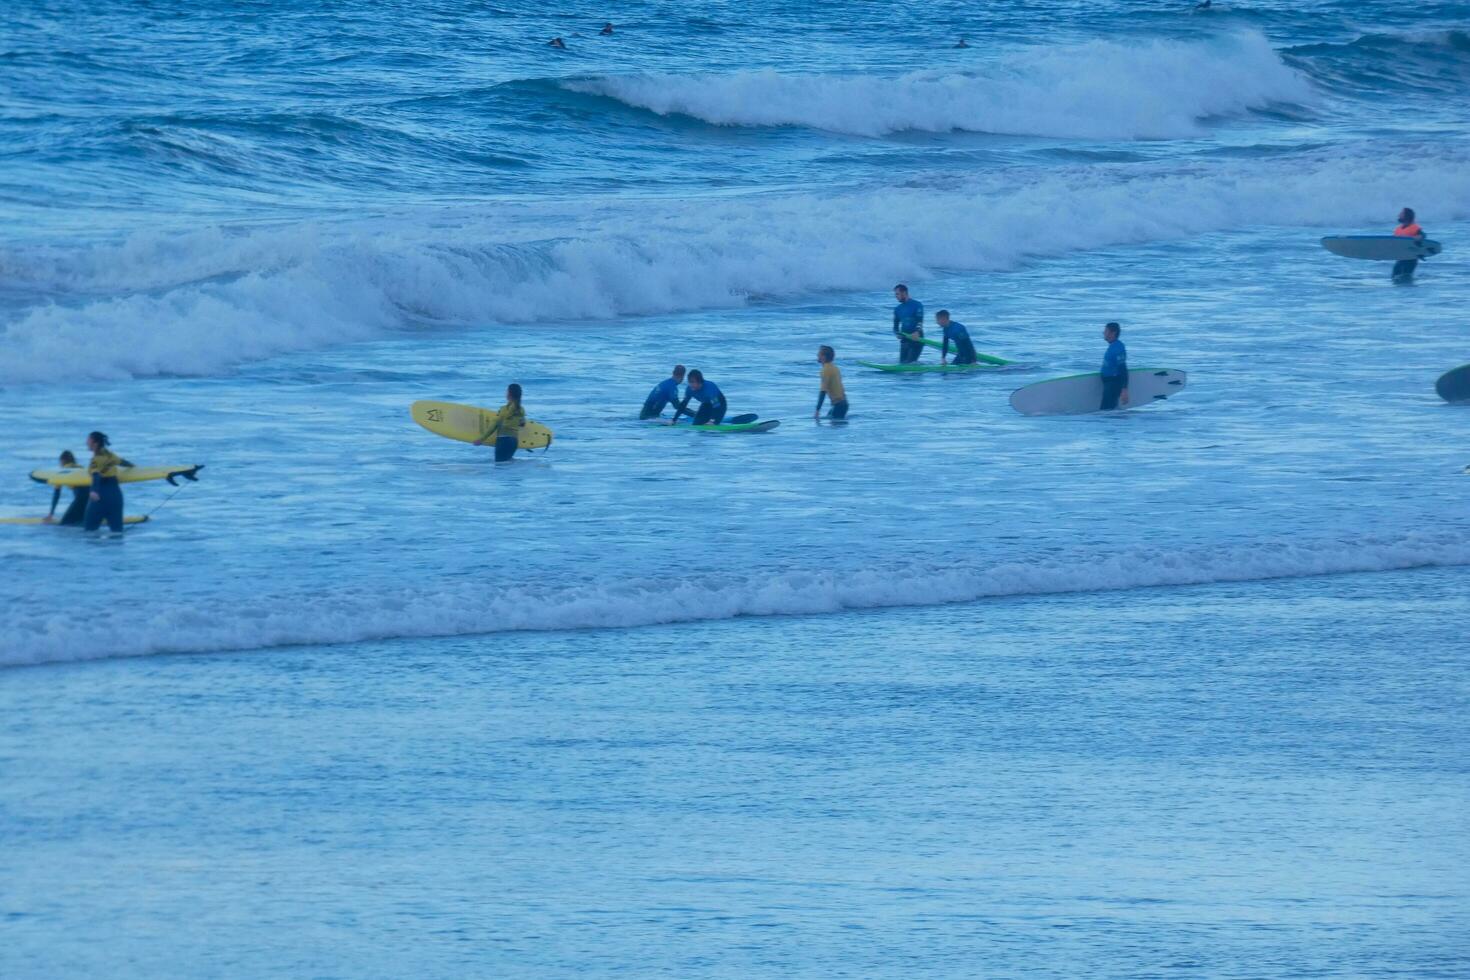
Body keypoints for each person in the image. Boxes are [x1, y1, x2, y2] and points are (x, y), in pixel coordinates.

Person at [83, 432, 126, 532]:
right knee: (117, 534)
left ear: (95, 443)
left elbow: (96, 475)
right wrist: (135, 468)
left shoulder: (96, 459)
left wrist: (94, 491)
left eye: (88, 440)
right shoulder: (110, 455)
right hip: (115, 495)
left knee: (90, 534)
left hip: (100, 496)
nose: (86, 442)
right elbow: (123, 462)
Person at [473, 384, 526, 462]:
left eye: (507, 391)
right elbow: (522, 424)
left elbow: (494, 425)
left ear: (509, 393)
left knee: (500, 466)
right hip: (514, 441)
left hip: (503, 441)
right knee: (508, 465)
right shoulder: (521, 410)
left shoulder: (504, 409)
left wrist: (481, 439)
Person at [43, 450, 87, 526]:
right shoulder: (81, 468)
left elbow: (57, 494)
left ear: (62, 461)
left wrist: (51, 513)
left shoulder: (62, 472)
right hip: (90, 502)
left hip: (80, 500)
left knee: (64, 525)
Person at [1100, 322, 1130, 411]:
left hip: (1113, 384)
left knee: (1106, 412)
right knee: (1108, 411)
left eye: (1106, 331)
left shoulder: (1118, 347)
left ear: (1113, 333)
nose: (1103, 333)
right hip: (1108, 384)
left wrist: (1124, 390)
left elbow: (1123, 369)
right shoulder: (1113, 346)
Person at [892, 283, 925, 364]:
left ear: (904, 293)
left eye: (897, 294)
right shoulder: (897, 309)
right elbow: (895, 326)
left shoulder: (917, 305)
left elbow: (920, 321)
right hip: (905, 339)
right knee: (902, 364)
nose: (896, 296)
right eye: (895, 294)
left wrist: (917, 332)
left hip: (916, 339)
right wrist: (897, 333)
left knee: (910, 365)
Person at [814, 346, 849, 420]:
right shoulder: (835, 368)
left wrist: (817, 410)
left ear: (823, 357)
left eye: (819, 354)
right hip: (844, 403)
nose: (817, 355)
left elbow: (823, 391)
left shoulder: (825, 370)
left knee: (833, 428)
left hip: (838, 405)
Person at [1392, 207, 1424, 282]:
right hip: (1400, 258)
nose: (1398, 215)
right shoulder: (1398, 229)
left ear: (1407, 216)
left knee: (1405, 277)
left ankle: (1408, 293)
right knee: (1394, 277)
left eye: (1401, 213)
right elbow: (1392, 245)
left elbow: (1423, 236)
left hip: (1411, 259)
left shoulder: (1415, 228)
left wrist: (1420, 237)